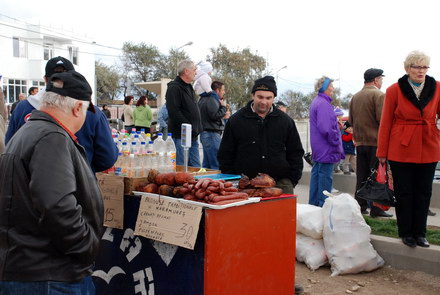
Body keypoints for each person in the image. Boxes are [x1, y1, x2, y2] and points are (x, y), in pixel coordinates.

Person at [0, 70, 104, 293]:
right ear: (78, 108)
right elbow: (56, 206)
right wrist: (87, 247)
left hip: (30, 269)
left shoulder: (26, 132)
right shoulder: (51, 137)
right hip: (50, 275)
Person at [217, 75, 304, 295]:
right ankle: (246, 278)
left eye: (268, 97)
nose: (264, 101)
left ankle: (283, 280)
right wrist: (233, 182)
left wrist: (291, 180)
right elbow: (225, 154)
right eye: (260, 96)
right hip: (244, 186)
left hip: (280, 184)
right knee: (246, 234)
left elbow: (296, 153)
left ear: (274, 97)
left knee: (280, 235)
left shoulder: (285, 121)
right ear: (252, 96)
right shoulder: (236, 120)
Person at [5, 56, 117, 173]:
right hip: (75, 182)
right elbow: (107, 157)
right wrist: (85, 169)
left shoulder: (22, 108)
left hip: (24, 182)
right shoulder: (90, 110)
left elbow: (9, 147)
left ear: (46, 80)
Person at [377, 51, 440, 248]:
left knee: (424, 192)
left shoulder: (436, 87)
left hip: (429, 145)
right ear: (408, 69)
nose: (421, 71)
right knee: (404, 192)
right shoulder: (394, 90)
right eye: (416, 67)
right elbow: (386, 122)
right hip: (401, 147)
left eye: (424, 67)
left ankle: (420, 233)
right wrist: (382, 152)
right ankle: (406, 233)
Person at [349, 68, 392, 218]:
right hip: (376, 143)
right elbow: (383, 121)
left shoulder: (355, 97)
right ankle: (376, 208)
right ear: (376, 80)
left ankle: (359, 206)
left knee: (361, 176)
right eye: (381, 80)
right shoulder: (379, 95)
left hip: (360, 143)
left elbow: (351, 121)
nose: (381, 83)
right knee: (377, 176)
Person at [308, 76, 345, 207]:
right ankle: (322, 207)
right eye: (331, 86)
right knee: (325, 179)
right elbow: (325, 128)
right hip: (326, 147)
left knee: (317, 176)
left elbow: (323, 124)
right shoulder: (324, 104)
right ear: (325, 87)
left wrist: (334, 124)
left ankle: (313, 205)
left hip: (319, 147)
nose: (333, 88)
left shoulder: (317, 102)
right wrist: (335, 140)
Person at [165, 60, 202, 167]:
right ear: (186, 71)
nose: (196, 72)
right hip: (181, 136)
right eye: (194, 69)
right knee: (182, 168)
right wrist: (188, 127)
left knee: (195, 168)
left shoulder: (189, 87)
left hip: (193, 135)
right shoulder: (174, 88)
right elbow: (174, 112)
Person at [199, 81, 227, 170]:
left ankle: (205, 182)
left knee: (207, 164)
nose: (224, 92)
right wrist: (224, 107)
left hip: (206, 133)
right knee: (216, 163)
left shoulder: (203, 99)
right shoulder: (212, 99)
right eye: (223, 90)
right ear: (217, 90)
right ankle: (216, 182)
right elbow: (214, 116)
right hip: (211, 134)